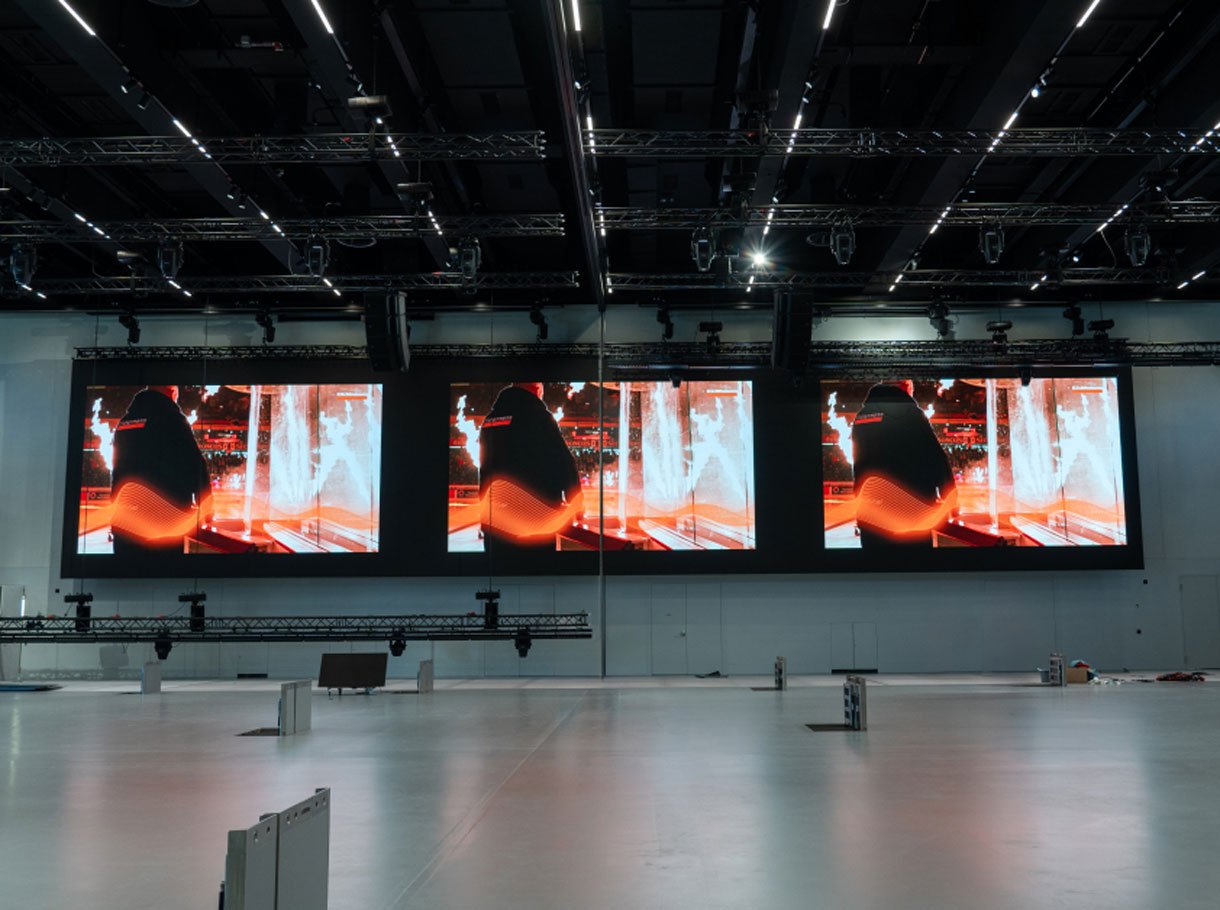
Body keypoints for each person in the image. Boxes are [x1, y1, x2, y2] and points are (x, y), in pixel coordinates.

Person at [478, 382, 582, 555]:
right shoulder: (538, 415)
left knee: (499, 568)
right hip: (534, 521)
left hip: (495, 519)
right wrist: (575, 500)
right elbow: (562, 460)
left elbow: (484, 467)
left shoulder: (490, 420)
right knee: (534, 568)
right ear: (537, 388)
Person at [851, 380, 956, 550]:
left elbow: (859, 464)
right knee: (913, 562)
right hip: (913, 510)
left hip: (873, 512)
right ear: (904, 389)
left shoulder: (862, 417)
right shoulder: (910, 413)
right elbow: (934, 455)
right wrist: (949, 495)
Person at [109, 385, 212, 556]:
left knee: (127, 570)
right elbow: (194, 463)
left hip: (126, 520)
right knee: (163, 570)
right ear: (172, 392)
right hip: (164, 521)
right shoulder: (172, 418)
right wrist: (206, 505)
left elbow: (118, 470)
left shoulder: (125, 422)